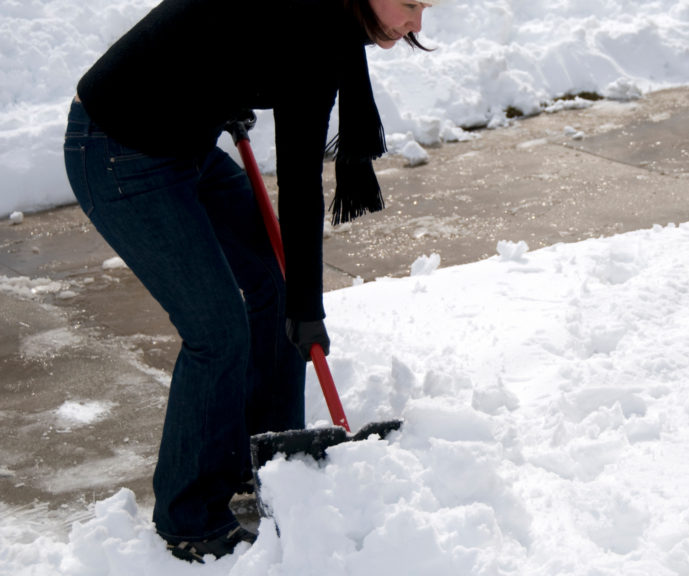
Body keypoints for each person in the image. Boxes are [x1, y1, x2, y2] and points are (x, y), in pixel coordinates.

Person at [63, 0, 437, 563]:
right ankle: (189, 517)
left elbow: (225, 27)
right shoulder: (311, 32)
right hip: (119, 148)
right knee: (217, 329)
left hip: (183, 140)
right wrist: (310, 310)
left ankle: (270, 457)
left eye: (426, 7)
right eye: (409, 5)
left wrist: (225, 82)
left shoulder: (331, 23)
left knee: (277, 286)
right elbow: (301, 187)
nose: (417, 24)